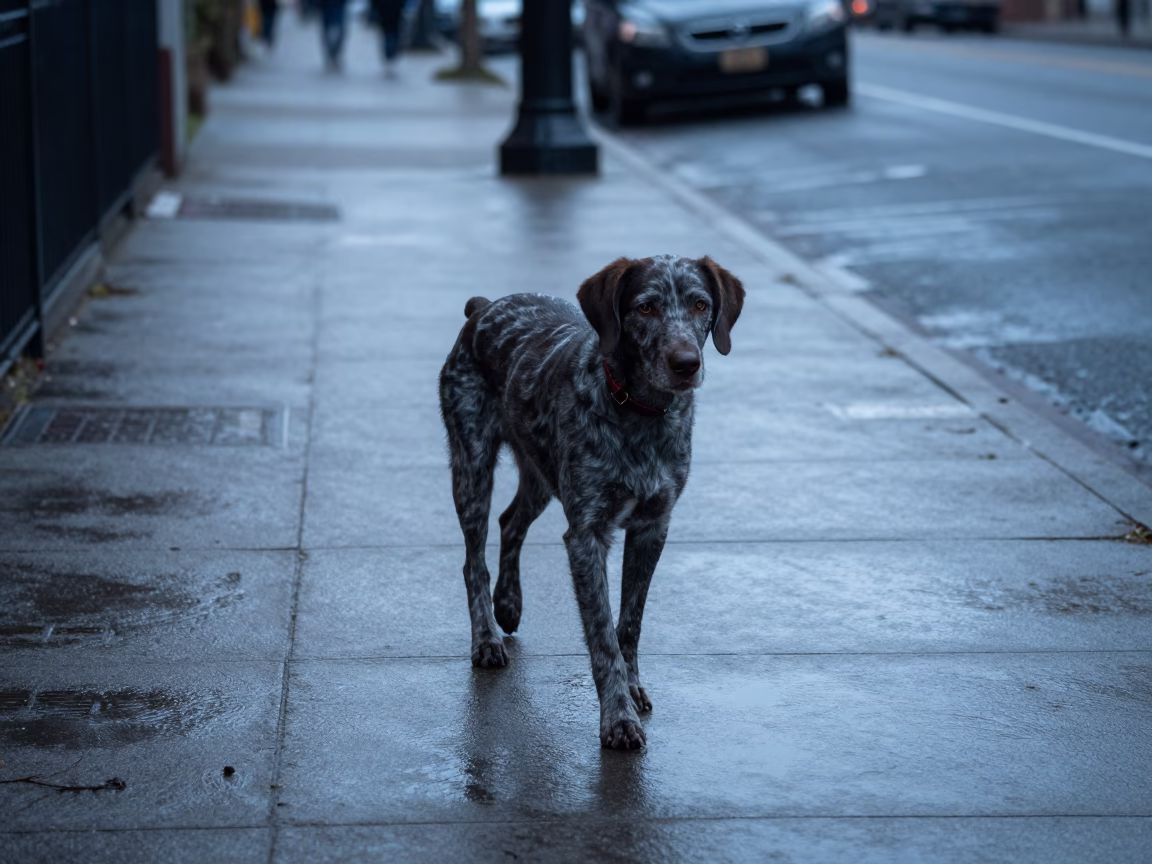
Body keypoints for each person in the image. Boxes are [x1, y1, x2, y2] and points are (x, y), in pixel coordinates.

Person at [372, 0, 407, 72]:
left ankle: (389, 53)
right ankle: (391, 52)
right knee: (394, 30)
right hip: (395, 7)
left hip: (384, 7)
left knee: (387, 31)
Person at [320, 0, 349, 70]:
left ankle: (335, 54)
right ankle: (331, 54)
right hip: (326, 7)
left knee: (340, 31)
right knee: (327, 32)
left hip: (338, 6)